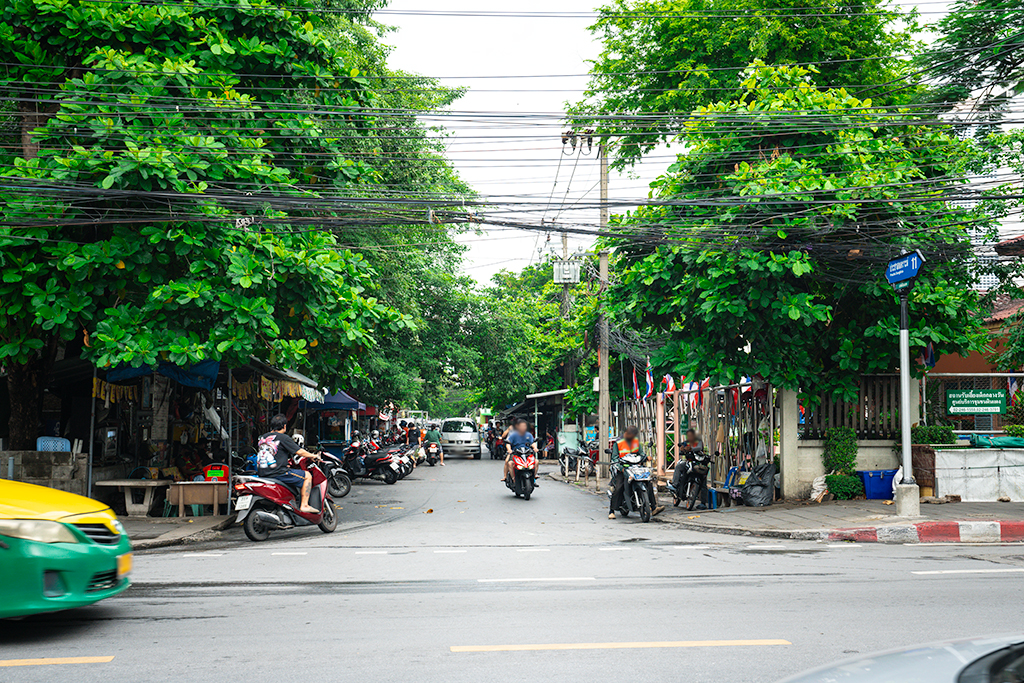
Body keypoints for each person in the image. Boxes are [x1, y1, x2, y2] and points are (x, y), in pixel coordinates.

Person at [257, 414, 323, 514]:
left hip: (263, 473)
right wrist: (313, 456)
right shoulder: (283, 438)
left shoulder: (263, 438)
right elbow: (299, 451)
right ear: (284, 426)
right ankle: (304, 505)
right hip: (278, 473)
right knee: (307, 476)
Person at [608, 426, 662, 519]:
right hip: (624, 469)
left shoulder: (635, 442)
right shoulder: (618, 443)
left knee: (648, 482)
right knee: (619, 486)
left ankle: (653, 507)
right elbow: (614, 459)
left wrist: (646, 457)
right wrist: (621, 468)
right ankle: (612, 510)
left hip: (637, 468)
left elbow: (641, 454)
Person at [671, 429, 709, 510]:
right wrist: (682, 448)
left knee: (703, 482)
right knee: (679, 466)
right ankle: (675, 484)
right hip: (689, 463)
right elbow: (682, 447)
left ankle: (703, 503)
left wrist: (690, 448)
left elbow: (698, 448)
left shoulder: (698, 442)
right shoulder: (686, 442)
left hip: (698, 464)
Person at [503, 418, 538, 484]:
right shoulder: (513, 435)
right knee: (509, 462)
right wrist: (509, 450)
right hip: (515, 453)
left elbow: (533, 443)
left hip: (527, 453)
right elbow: (508, 443)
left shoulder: (529, 435)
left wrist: (535, 448)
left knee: (536, 462)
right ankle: (512, 479)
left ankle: (533, 477)